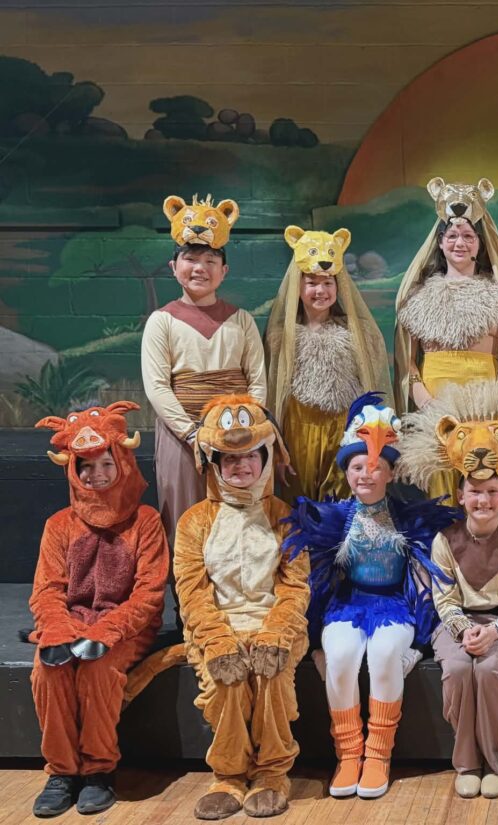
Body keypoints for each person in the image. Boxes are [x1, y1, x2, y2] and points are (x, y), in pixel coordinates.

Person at [283, 393, 457, 800]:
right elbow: (318, 582)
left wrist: (418, 644)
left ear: (391, 473)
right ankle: (348, 753)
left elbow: (426, 582)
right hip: (348, 605)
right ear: (346, 471)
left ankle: (378, 753)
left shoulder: (408, 520)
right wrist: (316, 641)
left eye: (376, 466)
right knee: (342, 654)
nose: (366, 474)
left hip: (393, 607)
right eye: (358, 467)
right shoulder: (336, 519)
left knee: (384, 653)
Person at [397, 380, 498, 799]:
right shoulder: (445, 540)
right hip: (456, 626)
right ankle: (467, 762)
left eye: (491, 492)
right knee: (457, 669)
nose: (483, 500)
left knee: (488, 670)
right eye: (475, 492)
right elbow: (444, 599)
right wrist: (463, 631)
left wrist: (493, 632)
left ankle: (497, 762)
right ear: (461, 495)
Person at [29, 402, 168, 818]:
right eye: (85, 466)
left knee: (98, 668)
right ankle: (62, 771)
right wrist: (57, 630)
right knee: (48, 669)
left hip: (125, 627)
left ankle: (98, 770)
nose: (96, 474)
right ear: (73, 470)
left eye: (105, 463)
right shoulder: (58, 524)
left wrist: (107, 631)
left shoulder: (146, 521)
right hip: (71, 622)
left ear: (122, 463)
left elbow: (149, 594)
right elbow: (47, 590)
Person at [173, 395, 310, 819]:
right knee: (226, 680)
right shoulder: (194, 521)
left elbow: (296, 586)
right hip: (217, 627)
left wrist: (276, 633)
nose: (241, 466)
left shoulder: (285, 516)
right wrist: (217, 640)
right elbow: (191, 591)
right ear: (214, 462)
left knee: (272, 674)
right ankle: (229, 777)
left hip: (276, 624)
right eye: (230, 458)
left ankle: (271, 774)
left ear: (266, 458)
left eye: (250, 456)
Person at [394, 177, 498, 503]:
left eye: (468, 236)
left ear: (480, 243)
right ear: (440, 242)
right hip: (436, 412)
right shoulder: (418, 297)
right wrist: (426, 401)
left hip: (484, 414)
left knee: (482, 492)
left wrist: (495, 401)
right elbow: (408, 362)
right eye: (452, 236)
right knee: (442, 498)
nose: (460, 243)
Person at [142, 194, 266, 546]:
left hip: (236, 436)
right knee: (185, 518)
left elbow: (258, 380)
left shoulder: (242, 320)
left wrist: (245, 430)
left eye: (211, 260)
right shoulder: (162, 321)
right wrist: (192, 434)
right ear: (174, 267)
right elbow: (157, 386)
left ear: (224, 271)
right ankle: (186, 582)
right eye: (191, 259)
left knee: (239, 517)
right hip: (182, 437)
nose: (200, 268)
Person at [265, 224, 392, 502]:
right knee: (300, 502)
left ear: (338, 286)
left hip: (344, 430)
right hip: (299, 430)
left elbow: (373, 387)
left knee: (342, 504)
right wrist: (277, 449)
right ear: (298, 286)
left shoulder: (358, 334)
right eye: (312, 283)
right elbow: (274, 392)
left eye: (327, 283)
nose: (320, 290)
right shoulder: (282, 337)